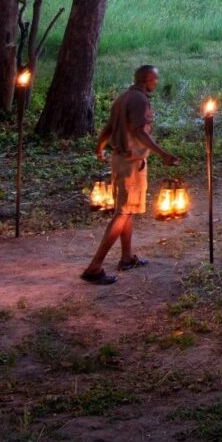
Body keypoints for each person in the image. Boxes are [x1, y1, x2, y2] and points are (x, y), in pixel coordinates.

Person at [82, 65, 179, 284]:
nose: (156, 83)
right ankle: (95, 267)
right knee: (123, 213)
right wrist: (163, 154)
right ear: (147, 80)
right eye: (154, 80)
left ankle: (126, 257)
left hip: (120, 160)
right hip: (131, 163)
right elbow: (139, 131)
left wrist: (100, 147)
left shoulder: (122, 98)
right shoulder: (140, 100)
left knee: (128, 210)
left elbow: (108, 127)